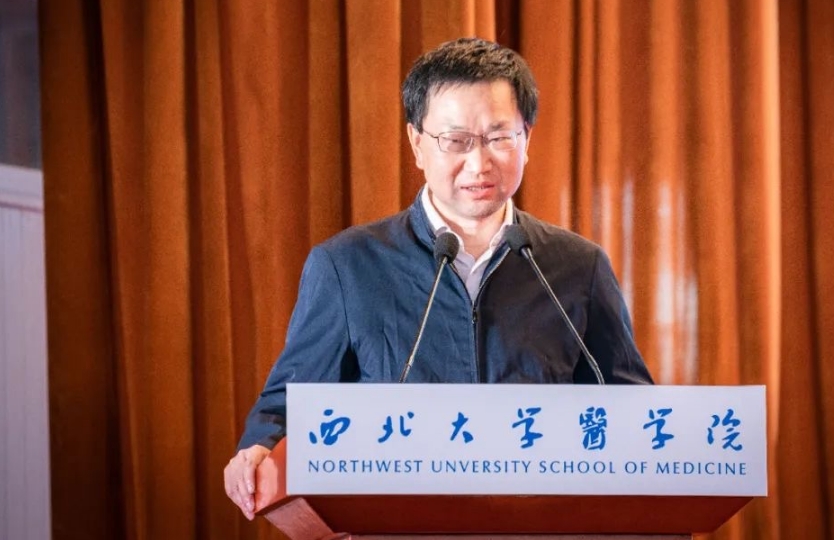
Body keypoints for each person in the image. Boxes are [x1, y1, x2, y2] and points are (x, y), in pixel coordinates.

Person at [223, 37, 653, 519]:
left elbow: (632, 411)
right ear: (417, 144)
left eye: (499, 137)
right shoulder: (347, 266)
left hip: (543, 523)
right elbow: (289, 403)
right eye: (456, 140)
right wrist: (259, 448)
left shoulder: (579, 267)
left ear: (527, 139)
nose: (479, 163)